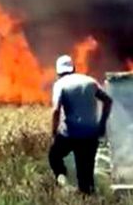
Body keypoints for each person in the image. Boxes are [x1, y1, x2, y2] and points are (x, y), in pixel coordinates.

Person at [48, 54, 113, 194]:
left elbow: (55, 110)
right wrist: (102, 124)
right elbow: (108, 101)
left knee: (54, 156)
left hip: (70, 135)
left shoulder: (60, 84)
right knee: (86, 175)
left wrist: (54, 133)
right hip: (91, 135)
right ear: (73, 68)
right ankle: (88, 196)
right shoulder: (90, 81)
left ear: (58, 72)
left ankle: (63, 181)